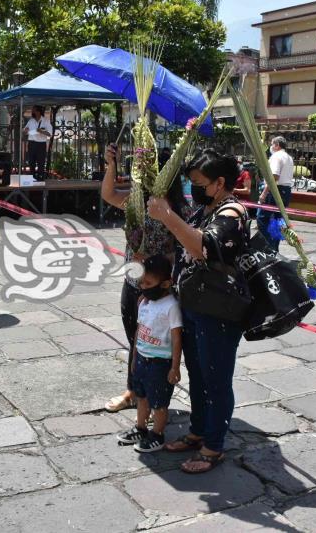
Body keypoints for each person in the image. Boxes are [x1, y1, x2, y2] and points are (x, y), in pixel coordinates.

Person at [147, 149, 247, 474]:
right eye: (190, 182)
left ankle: (213, 446)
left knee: (216, 380)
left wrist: (168, 217)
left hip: (217, 312)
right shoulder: (206, 208)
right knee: (199, 376)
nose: (193, 188)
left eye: (198, 183)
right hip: (194, 306)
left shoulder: (232, 213)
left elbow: (202, 247)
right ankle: (198, 430)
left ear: (220, 183)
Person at [100, 143, 192, 413]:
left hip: (160, 291)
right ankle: (134, 393)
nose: (141, 175)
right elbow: (108, 194)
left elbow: (186, 248)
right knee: (135, 341)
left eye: (148, 170)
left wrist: (155, 266)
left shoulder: (177, 210)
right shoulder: (137, 201)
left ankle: (156, 400)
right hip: (133, 283)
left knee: (158, 347)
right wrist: (111, 166)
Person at [116, 254, 182, 453]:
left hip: (160, 363)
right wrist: (134, 358)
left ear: (165, 283)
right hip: (142, 359)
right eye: (141, 282)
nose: (143, 286)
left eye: (148, 283)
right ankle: (141, 428)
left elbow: (177, 338)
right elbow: (138, 330)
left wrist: (175, 367)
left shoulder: (171, 306)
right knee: (142, 397)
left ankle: (158, 434)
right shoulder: (143, 302)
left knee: (159, 403)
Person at [257, 136, 294, 251]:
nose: (271, 147)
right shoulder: (288, 157)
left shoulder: (276, 157)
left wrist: (264, 193)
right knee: (278, 221)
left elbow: (274, 176)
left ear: (277, 145)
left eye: (272, 144)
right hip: (285, 191)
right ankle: (274, 248)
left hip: (274, 191)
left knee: (262, 218)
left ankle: (269, 247)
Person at [23, 105, 52, 180]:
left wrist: (42, 131)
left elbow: (50, 134)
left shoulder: (46, 121)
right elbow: (25, 131)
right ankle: (32, 177)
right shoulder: (31, 121)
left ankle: (40, 178)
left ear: (38, 111)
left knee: (41, 162)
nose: (32, 111)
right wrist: (25, 131)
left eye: (34, 110)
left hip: (41, 144)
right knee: (31, 161)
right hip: (32, 143)